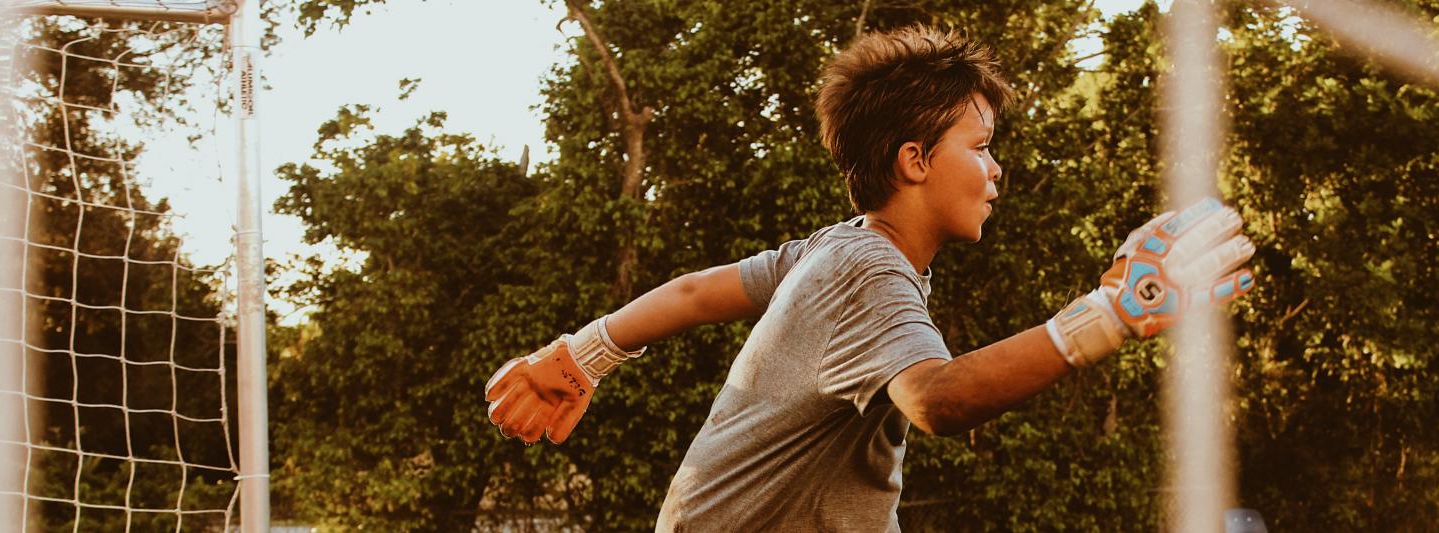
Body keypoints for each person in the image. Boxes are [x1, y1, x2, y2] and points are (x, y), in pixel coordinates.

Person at [483, 25, 1256, 532]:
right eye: (979, 145)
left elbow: (696, 292)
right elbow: (936, 399)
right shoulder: (865, 268)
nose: (996, 168)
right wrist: (1114, 313)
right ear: (914, 161)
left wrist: (584, 354)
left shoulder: (831, 250)